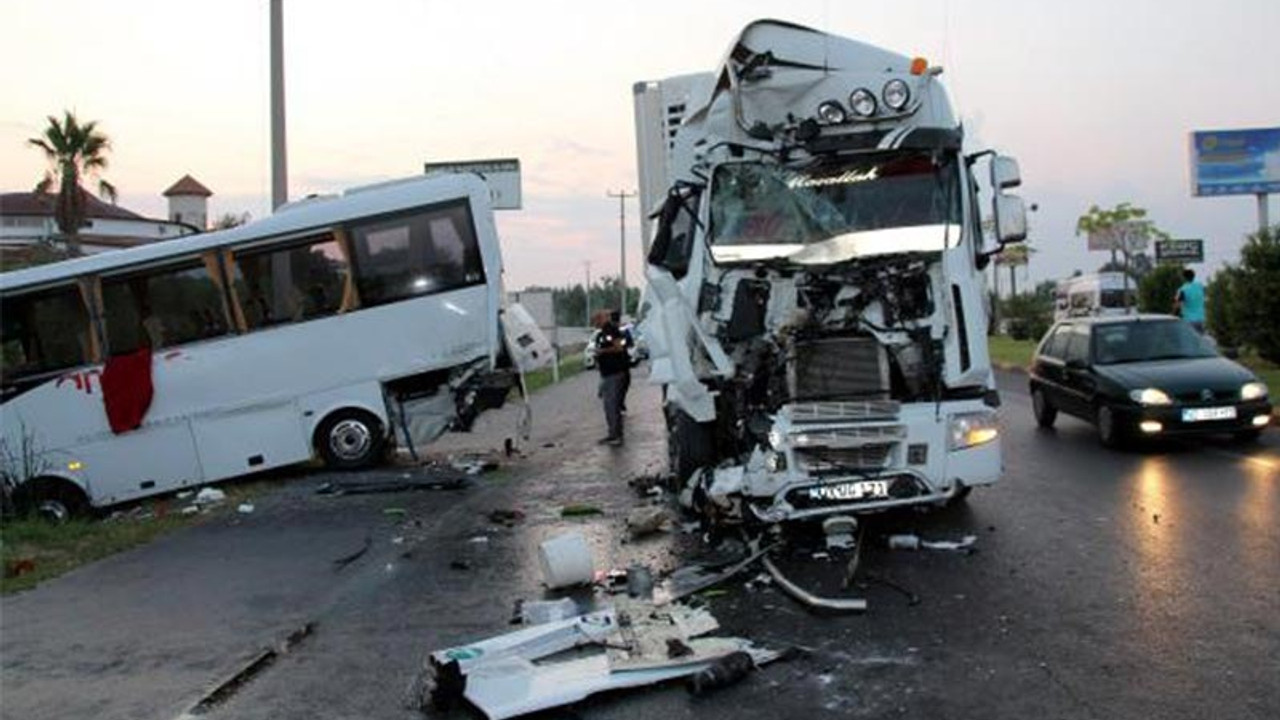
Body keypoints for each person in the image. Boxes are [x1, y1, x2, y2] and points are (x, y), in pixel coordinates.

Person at [592, 309, 631, 446]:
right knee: (608, 405)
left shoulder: (612, 330)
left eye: (596, 319)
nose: (594, 322)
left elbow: (619, 347)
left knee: (612, 405)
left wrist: (602, 351)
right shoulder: (602, 333)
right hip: (607, 373)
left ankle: (616, 435)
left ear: (602, 319)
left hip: (615, 373)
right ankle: (612, 433)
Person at [1172, 268, 1206, 334]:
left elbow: (1177, 305)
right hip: (1201, 319)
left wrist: (1172, 315)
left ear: (1184, 278)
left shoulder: (1183, 289)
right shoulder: (1200, 286)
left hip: (1188, 320)